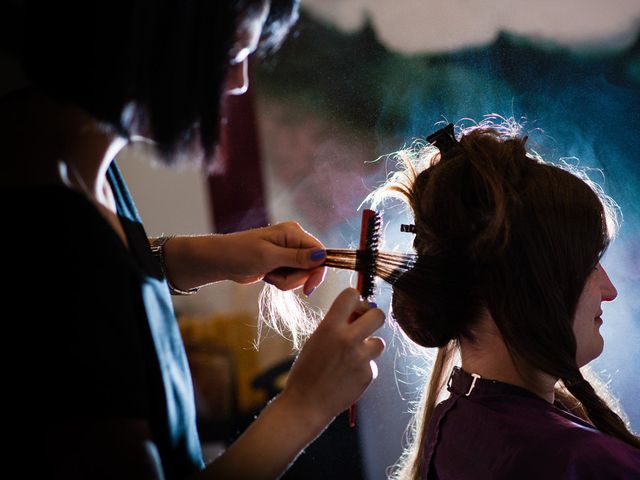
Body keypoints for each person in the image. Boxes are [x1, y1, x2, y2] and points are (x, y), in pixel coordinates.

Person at [0, 1, 385, 479]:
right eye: (229, 52)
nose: (241, 80)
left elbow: (96, 295)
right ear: (149, 36)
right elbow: (77, 286)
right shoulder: (47, 227)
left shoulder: (60, 149)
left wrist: (193, 257)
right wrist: (304, 406)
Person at [367, 121, 640, 479]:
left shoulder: (458, 421)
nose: (609, 290)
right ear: (526, 284)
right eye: (589, 265)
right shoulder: (573, 461)